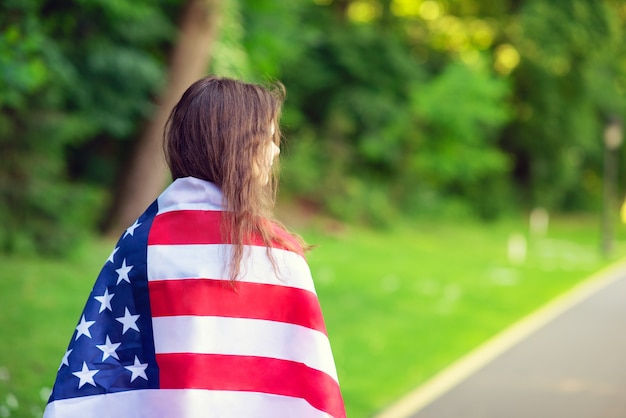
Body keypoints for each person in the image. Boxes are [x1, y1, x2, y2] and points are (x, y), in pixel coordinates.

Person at [44, 76, 346, 418]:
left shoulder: (139, 244)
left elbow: (99, 382)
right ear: (236, 145)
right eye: (269, 137)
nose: (276, 149)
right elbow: (307, 395)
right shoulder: (279, 256)